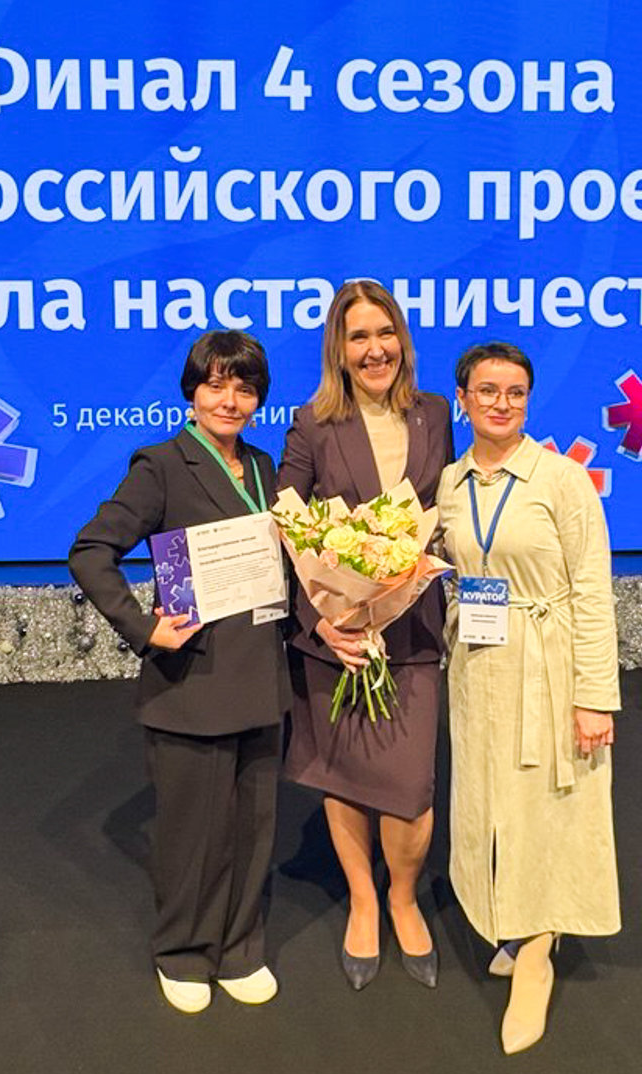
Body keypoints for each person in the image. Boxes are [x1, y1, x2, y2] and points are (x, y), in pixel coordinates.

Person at [68, 330, 289, 1014]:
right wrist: (145, 629)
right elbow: (90, 551)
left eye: (244, 388)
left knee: (253, 827)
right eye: (216, 385)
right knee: (193, 832)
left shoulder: (263, 467)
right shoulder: (162, 465)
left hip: (261, 676)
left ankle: (239, 946)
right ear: (192, 391)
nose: (230, 400)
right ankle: (184, 953)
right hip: (193, 680)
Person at [437, 342, 621, 1054]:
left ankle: (538, 953)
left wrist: (594, 696)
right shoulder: (452, 483)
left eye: (515, 392)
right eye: (487, 390)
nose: (501, 403)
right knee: (492, 804)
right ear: (463, 398)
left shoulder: (561, 480)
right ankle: (512, 919)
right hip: (477, 666)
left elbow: (592, 593)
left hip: (548, 666)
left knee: (548, 807)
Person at [278, 280, 453, 990]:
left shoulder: (436, 413)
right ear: (339, 350)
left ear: (402, 341)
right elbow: (288, 526)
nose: (375, 349)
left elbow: (447, 508)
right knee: (345, 775)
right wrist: (322, 619)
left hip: (412, 631)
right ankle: (361, 899)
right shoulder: (312, 424)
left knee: (411, 784)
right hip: (340, 635)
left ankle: (403, 897)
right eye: (359, 337)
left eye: (385, 334)